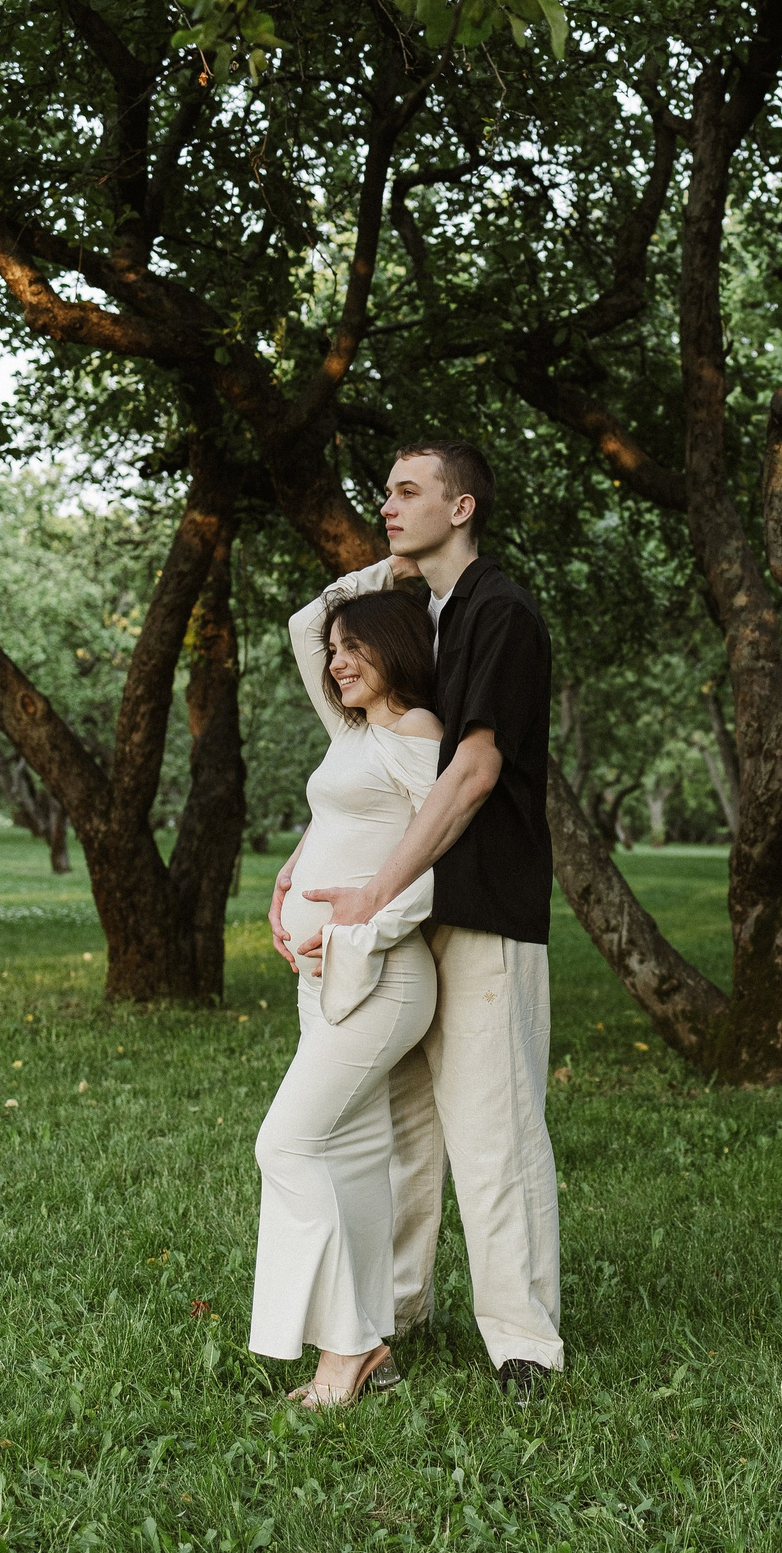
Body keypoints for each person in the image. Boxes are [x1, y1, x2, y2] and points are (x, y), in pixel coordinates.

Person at [300, 439, 563, 1401]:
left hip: (485, 908)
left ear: (463, 507)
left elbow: (477, 770)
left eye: (408, 491)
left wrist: (374, 893)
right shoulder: (431, 615)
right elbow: (312, 632)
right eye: (385, 489)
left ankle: (523, 1344)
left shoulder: (499, 610)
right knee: (402, 1131)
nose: (388, 503)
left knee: (492, 1131)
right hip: (420, 917)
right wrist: (388, 572)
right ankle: (391, 1318)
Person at [248, 574, 444, 1408]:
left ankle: (352, 1347)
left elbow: (442, 866)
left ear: (394, 646)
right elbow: (300, 623)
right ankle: (372, 1348)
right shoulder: (354, 729)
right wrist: (297, 873)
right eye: (335, 654)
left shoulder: (420, 736)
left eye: (353, 648)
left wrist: (356, 928)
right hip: (324, 975)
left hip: (380, 978)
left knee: (286, 1145)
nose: (334, 664)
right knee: (356, 1161)